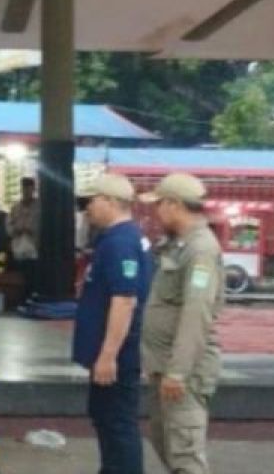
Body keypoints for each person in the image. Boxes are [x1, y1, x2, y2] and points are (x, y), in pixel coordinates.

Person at [140, 173, 224, 474]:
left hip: (184, 371)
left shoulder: (200, 250)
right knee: (168, 446)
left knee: (185, 455)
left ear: (174, 205)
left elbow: (195, 314)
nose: (156, 212)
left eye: (159, 204)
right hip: (165, 365)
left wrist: (178, 371)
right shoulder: (179, 245)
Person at [73, 173, 152, 474]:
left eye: (90, 201)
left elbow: (124, 300)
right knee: (106, 418)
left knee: (118, 424)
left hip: (118, 355)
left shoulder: (121, 243)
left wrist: (108, 355)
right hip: (112, 353)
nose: (86, 209)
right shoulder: (115, 240)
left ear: (109, 201)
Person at [8, 177, 40, 295]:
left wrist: (31, 230)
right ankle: (22, 299)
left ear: (33, 189)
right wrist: (17, 230)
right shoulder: (15, 208)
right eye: (24, 188)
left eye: (29, 188)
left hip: (35, 247)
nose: (27, 191)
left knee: (34, 275)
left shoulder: (39, 207)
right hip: (18, 247)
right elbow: (9, 226)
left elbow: (44, 226)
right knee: (21, 276)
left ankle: (32, 297)